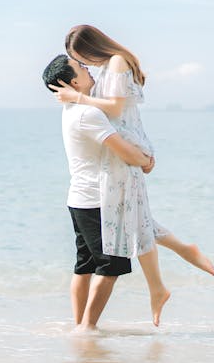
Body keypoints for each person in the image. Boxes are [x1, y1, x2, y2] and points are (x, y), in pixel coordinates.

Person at [50, 24, 214, 327]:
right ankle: (169, 270)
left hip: (119, 156)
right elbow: (113, 114)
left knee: (133, 222)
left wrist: (78, 98)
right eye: (79, 63)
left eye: (81, 57)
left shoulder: (114, 64)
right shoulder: (102, 77)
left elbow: (115, 108)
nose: (86, 64)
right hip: (114, 162)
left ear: (91, 47)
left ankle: (161, 281)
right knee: (135, 222)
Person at [42, 53, 155, 332]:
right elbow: (122, 148)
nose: (87, 68)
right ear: (72, 82)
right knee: (112, 265)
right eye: (80, 67)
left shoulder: (73, 110)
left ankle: (79, 324)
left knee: (85, 264)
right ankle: (87, 327)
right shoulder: (87, 113)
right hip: (96, 201)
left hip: (80, 200)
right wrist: (145, 160)